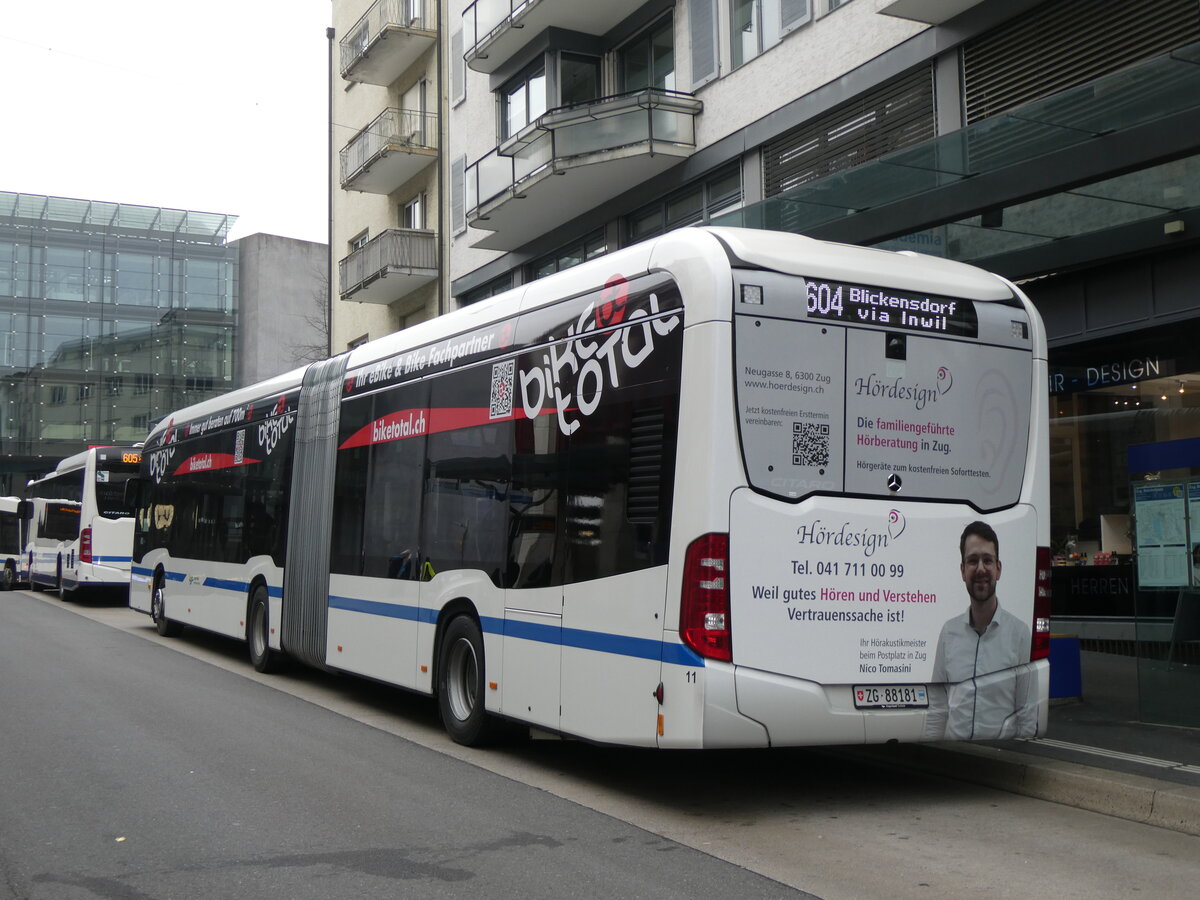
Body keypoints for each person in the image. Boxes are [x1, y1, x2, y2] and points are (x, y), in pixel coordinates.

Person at [923, 520, 1036, 741]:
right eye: (973, 561)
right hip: (956, 759)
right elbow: (937, 708)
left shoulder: (1020, 635)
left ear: (998, 569)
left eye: (988, 560)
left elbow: (1028, 714)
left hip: (1000, 762)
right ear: (963, 570)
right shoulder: (948, 633)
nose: (981, 568)